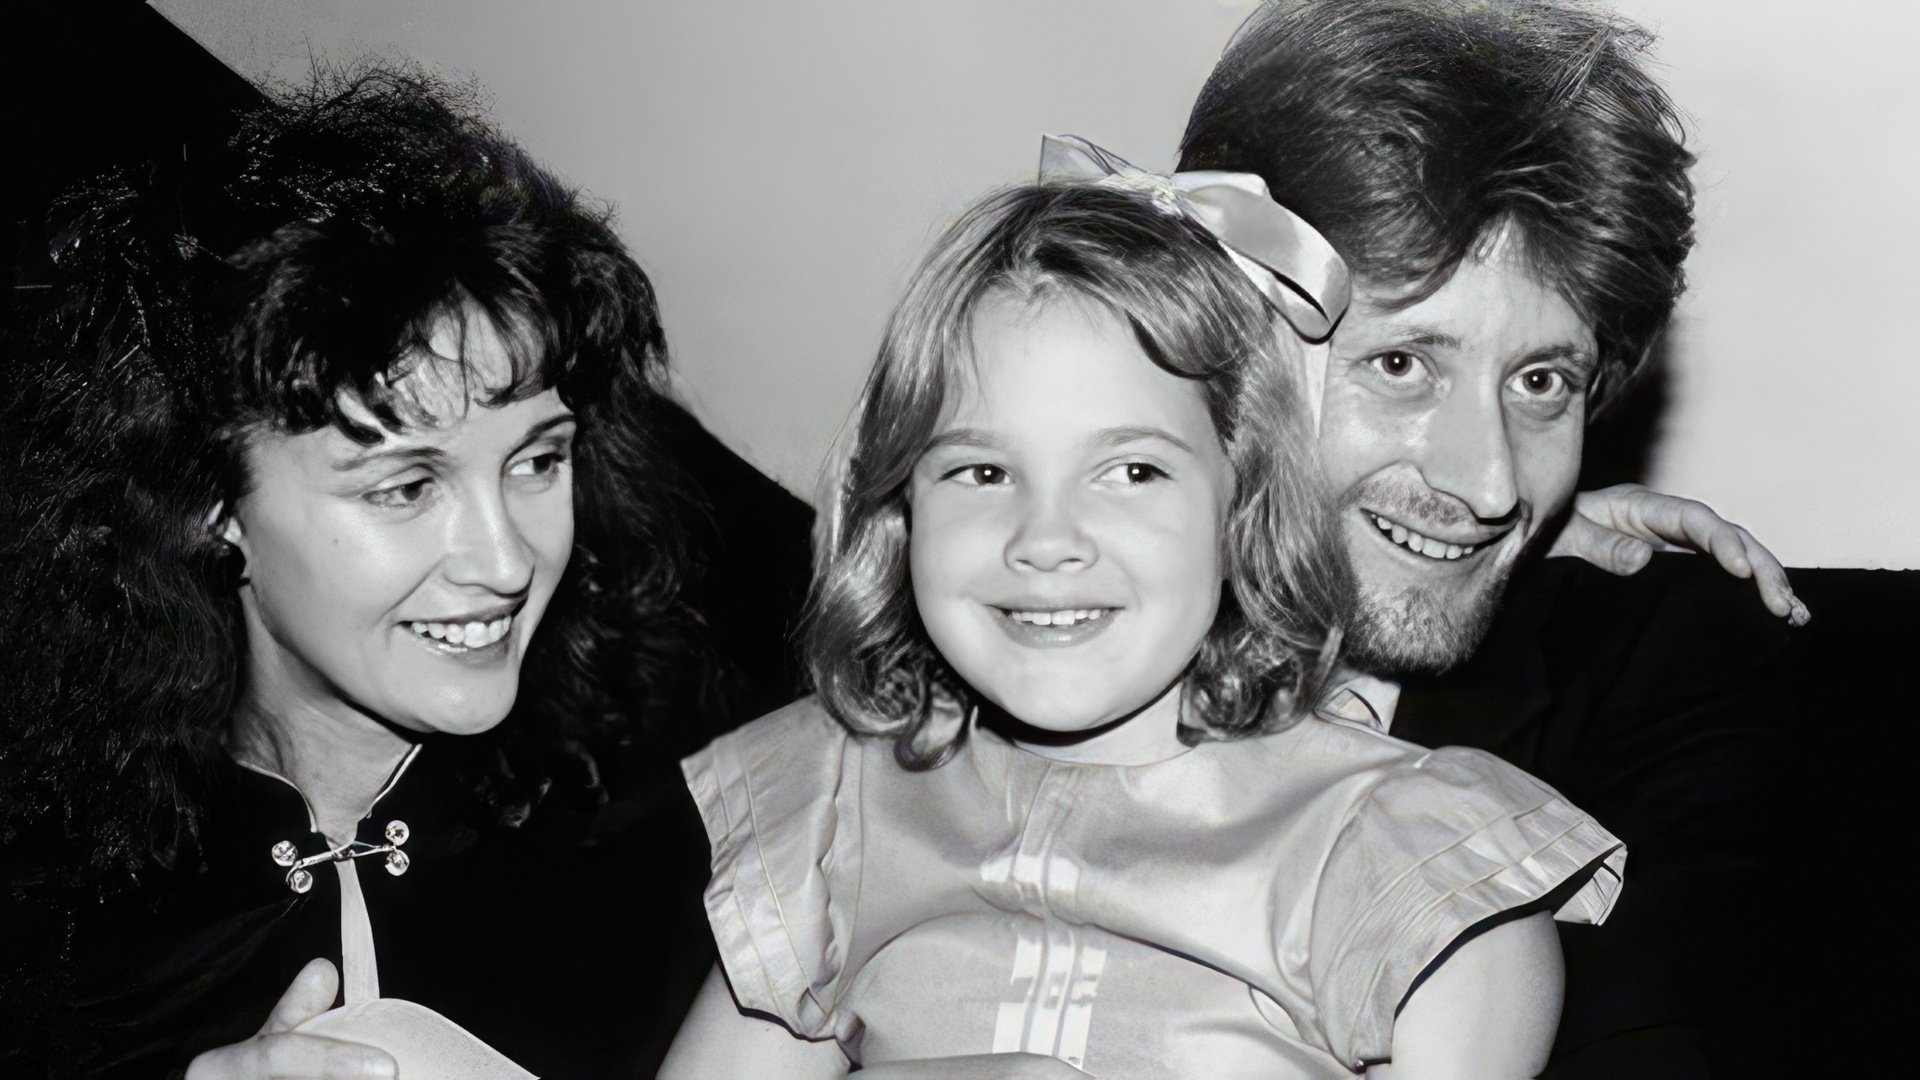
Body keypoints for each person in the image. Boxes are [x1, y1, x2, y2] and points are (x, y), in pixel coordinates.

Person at [661, 152, 1630, 1077]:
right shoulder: (835, 815)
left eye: (1131, 472)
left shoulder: (1405, 860)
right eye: (982, 471)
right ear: (900, 509)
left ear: (1244, 500)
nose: (1047, 539)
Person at [0, 70, 717, 1078]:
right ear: (210, 503)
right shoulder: (52, 927)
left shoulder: (685, 843)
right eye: (405, 486)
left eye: (538, 461)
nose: (507, 559)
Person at [1178, 1, 1810, 1072]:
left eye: (1541, 383)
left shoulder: (1663, 663)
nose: (1489, 483)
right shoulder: (1036, 612)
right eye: (1402, 365)